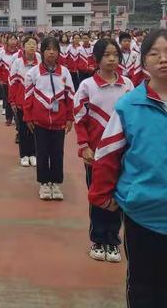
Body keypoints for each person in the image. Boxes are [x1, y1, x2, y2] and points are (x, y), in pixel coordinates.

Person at [89, 29, 167, 307]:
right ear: (143, 61)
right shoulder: (130, 105)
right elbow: (108, 153)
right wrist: (101, 196)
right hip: (142, 213)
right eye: (155, 53)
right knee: (144, 286)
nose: (163, 60)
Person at [74, 38, 133, 263]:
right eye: (107, 55)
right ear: (97, 59)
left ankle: (113, 240)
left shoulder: (127, 85)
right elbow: (79, 118)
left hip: (121, 152)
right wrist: (84, 146)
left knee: (118, 194)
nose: (112, 59)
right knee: (98, 195)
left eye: (115, 55)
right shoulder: (87, 86)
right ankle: (98, 239)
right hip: (96, 153)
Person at [23, 36, 74, 201]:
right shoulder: (33, 73)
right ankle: (44, 183)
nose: (52, 52)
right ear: (42, 51)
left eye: (55, 49)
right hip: (40, 121)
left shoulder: (64, 72)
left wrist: (69, 118)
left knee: (57, 153)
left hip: (59, 121)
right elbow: (28, 97)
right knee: (42, 152)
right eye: (48, 49)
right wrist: (28, 118)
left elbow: (70, 97)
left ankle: (56, 184)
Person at [9, 37, 41, 167]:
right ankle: (24, 155)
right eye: (29, 44)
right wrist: (12, 100)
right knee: (22, 129)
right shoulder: (17, 62)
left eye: (34, 44)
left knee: (35, 129)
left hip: (37, 101)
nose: (31, 46)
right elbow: (13, 82)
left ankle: (33, 154)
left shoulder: (39, 59)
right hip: (21, 102)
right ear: (23, 46)